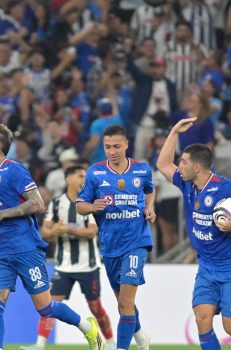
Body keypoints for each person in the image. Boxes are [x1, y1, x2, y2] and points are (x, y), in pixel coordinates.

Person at [0, 124, 103, 350]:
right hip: (0, 252)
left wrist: (1, 214)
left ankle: (86, 326)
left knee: (46, 308)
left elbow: (38, 204)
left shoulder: (14, 170)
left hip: (26, 248)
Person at [156, 117, 231, 349]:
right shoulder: (187, 184)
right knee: (202, 319)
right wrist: (174, 132)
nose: (179, 166)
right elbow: (163, 164)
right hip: (206, 266)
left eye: (183, 162)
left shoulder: (225, 187)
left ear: (197, 167)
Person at [76, 125, 154, 350]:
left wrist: (149, 207)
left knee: (126, 302)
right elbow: (80, 206)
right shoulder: (95, 173)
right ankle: (141, 336)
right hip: (110, 245)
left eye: (117, 146)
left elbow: (149, 190)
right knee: (123, 303)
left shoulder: (141, 170)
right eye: (108, 147)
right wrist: (92, 206)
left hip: (137, 241)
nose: (112, 151)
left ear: (126, 144)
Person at [22, 165, 116, 350]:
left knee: (95, 307)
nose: (84, 179)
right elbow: (45, 231)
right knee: (50, 304)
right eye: (80, 176)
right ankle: (40, 344)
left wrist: (67, 229)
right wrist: (54, 231)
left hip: (88, 266)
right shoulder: (56, 203)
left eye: (85, 176)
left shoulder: (89, 202)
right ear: (68, 179)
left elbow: (92, 232)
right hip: (63, 265)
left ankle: (110, 342)